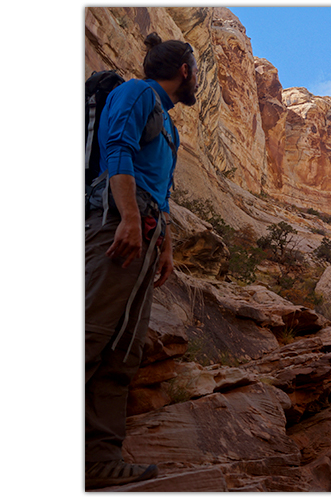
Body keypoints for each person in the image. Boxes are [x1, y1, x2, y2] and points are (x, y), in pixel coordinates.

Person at [84, 32, 198, 490]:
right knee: (88, 332)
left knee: (123, 350)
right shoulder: (135, 92)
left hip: (146, 234)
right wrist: (129, 218)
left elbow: (160, 189)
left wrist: (164, 243)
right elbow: (117, 149)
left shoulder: (170, 127)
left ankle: (99, 458)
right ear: (185, 70)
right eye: (197, 74)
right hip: (115, 225)